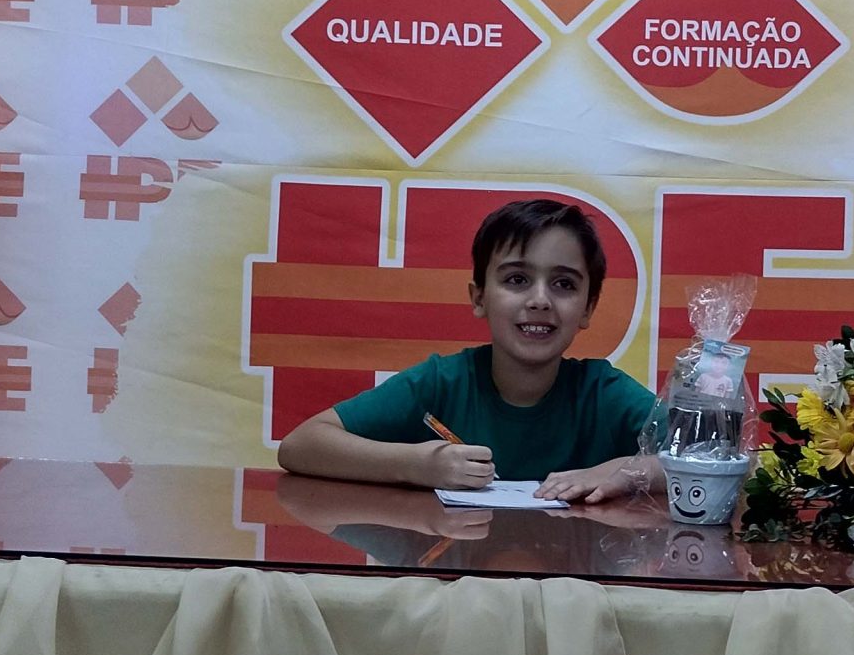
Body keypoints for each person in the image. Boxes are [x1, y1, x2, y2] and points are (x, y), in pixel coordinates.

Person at [276, 197, 661, 503]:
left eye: (563, 284)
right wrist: (416, 464)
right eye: (517, 279)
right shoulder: (440, 382)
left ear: (588, 308)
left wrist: (625, 471)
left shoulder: (602, 391)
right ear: (479, 298)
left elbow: (697, 456)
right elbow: (300, 446)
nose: (540, 300)